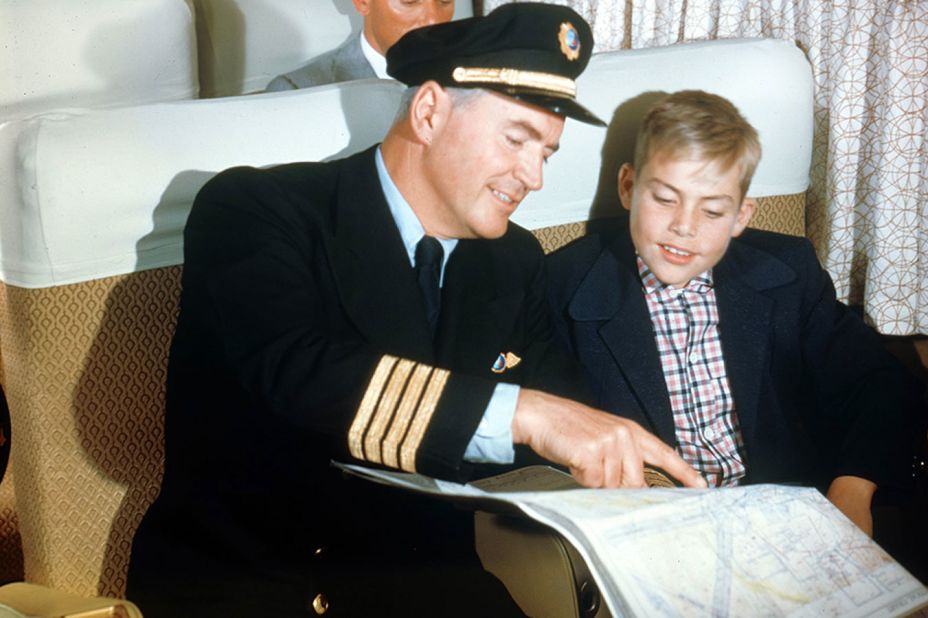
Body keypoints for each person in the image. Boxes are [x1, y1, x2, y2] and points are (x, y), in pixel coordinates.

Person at [127, 5, 703, 617]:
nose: (532, 176)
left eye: (547, 153)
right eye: (516, 140)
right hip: (246, 590)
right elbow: (300, 375)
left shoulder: (513, 262)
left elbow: (559, 423)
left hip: (431, 587)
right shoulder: (257, 211)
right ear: (428, 112)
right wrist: (526, 414)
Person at [547, 90, 922, 536]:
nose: (684, 226)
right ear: (628, 187)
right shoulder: (562, 287)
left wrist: (853, 489)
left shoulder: (786, 272)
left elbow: (878, 382)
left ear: (741, 216)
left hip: (786, 515)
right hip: (656, 529)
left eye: (712, 210)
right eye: (665, 199)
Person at [265, 0, 454, 91]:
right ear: (363, 2)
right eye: (409, 1)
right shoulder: (296, 91)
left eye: (445, 0)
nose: (433, 20)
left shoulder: (471, 77)